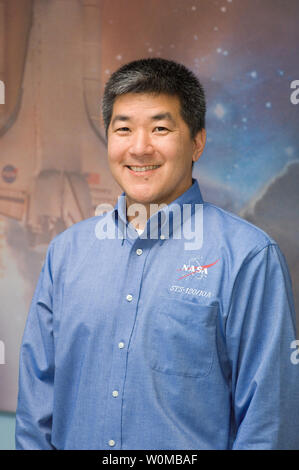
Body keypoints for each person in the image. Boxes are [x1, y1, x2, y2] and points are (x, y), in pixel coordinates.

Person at [15, 58, 299, 450]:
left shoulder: (249, 257)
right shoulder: (66, 253)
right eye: (124, 129)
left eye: (161, 129)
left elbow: (268, 423)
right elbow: (36, 407)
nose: (140, 147)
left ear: (197, 141)